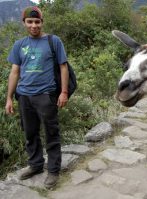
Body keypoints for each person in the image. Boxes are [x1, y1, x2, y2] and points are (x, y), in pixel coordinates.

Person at [5, 6, 69, 188]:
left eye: (37, 22)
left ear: (42, 22)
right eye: (30, 22)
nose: (34, 25)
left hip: (46, 95)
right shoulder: (19, 45)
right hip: (24, 96)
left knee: (51, 133)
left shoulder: (53, 41)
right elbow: (15, 72)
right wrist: (9, 98)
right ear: (24, 23)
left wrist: (63, 92)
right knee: (30, 133)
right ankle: (36, 165)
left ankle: (54, 170)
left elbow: (63, 66)